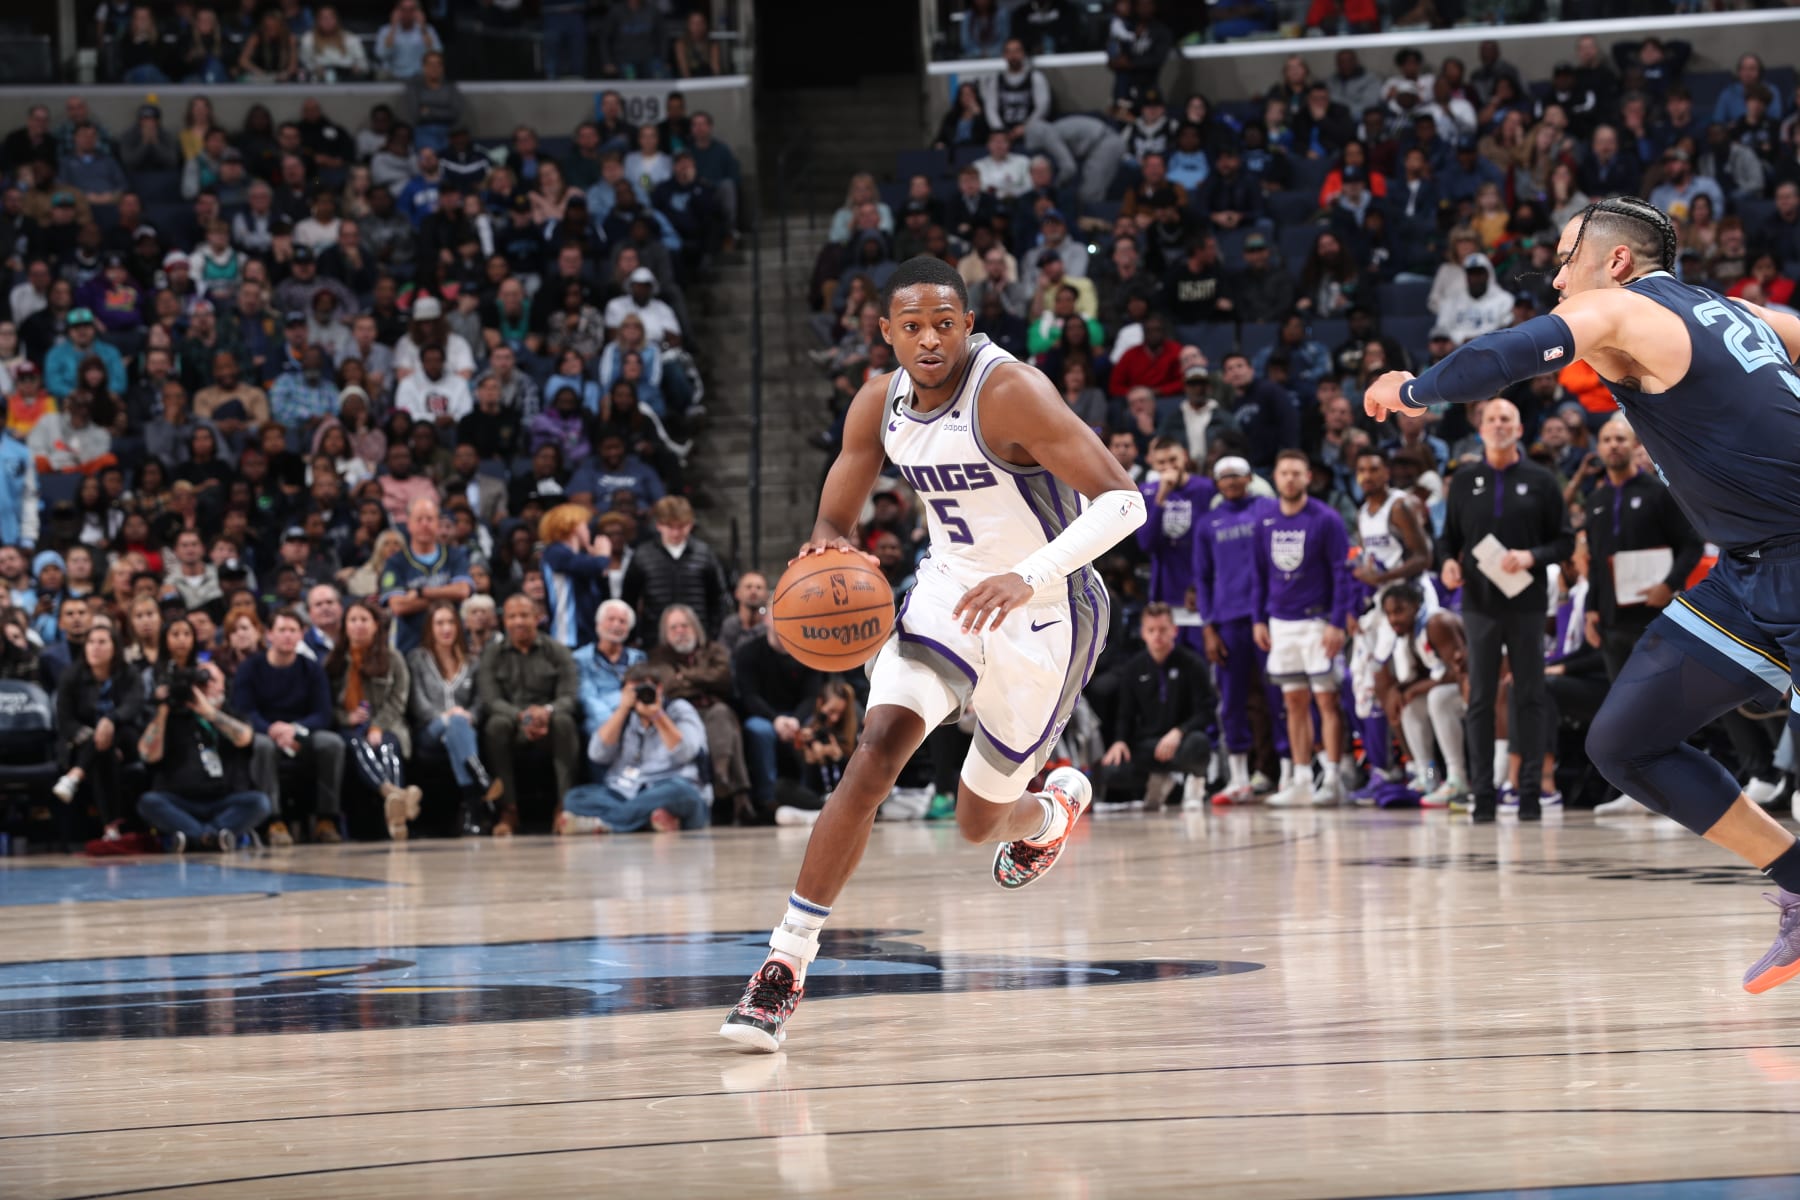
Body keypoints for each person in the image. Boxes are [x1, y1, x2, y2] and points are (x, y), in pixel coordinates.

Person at [1363, 193, 1800, 989]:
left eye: (1565, 259)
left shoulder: (1620, 310)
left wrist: (1411, 391)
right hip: (1746, 569)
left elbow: (1508, 354)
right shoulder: (1732, 312)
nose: (1557, 280)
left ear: (1617, 261)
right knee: (1623, 742)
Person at [720, 256, 1145, 1052]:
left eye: (944, 323)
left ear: (968, 326)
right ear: (885, 333)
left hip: (1047, 608)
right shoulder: (878, 404)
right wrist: (828, 559)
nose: (928, 338)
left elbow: (1125, 499)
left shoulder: (1010, 391)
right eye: (911, 325)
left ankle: (1049, 813)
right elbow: (833, 525)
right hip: (948, 593)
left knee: (980, 822)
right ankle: (784, 965)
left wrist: (1029, 575)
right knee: (874, 753)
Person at [1253, 450, 1352, 808]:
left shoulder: (1326, 519)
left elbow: (1343, 573)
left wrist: (1338, 622)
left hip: (1318, 621)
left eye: (1297, 473)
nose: (1290, 479)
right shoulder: (1265, 521)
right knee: (1293, 702)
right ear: (1276, 478)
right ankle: (1301, 778)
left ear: (1308, 477)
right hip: (1280, 622)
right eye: (1284, 473)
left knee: (1327, 700)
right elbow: (1260, 575)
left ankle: (1334, 777)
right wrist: (1258, 619)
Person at [136, 659, 271, 852]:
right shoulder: (172, 716)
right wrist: (164, 706)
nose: (206, 685)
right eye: (200, 681)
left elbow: (245, 738)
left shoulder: (231, 715)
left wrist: (209, 713)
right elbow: (147, 754)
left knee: (260, 802)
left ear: (223, 687)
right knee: (149, 802)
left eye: (212, 680)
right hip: (180, 801)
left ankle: (195, 837)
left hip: (224, 800)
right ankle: (214, 837)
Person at [558, 661, 707, 834]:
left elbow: (686, 753)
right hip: (626, 792)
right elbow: (597, 754)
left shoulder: (678, 709)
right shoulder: (624, 715)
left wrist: (658, 716)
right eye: (634, 691)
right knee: (574, 799)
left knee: (681, 792)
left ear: (659, 688)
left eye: (646, 689)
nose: (641, 696)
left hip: (668, 788)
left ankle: (605, 824)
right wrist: (622, 710)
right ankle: (646, 821)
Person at [1096, 603, 1217, 809]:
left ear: (1174, 630)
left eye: (1162, 630)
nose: (1157, 636)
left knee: (1199, 744)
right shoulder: (1133, 668)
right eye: (1151, 630)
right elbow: (1124, 713)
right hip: (1148, 746)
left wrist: (1180, 731)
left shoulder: (1192, 664)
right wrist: (1120, 741)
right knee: (1109, 770)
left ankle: (1195, 785)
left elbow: (1206, 711)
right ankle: (1158, 779)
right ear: (1143, 633)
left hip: (1181, 743)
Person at [477, 593, 580, 834]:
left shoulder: (557, 651)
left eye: (524, 615)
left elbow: (569, 697)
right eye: (512, 616)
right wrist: (522, 716)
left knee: (565, 721)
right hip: (513, 724)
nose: (518, 622)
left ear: (538, 618)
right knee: (495, 725)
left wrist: (546, 712)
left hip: (549, 724)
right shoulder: (492, 654)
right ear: (505, 622)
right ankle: (508, 810)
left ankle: (564, 808)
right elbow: (491, 700)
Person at [325, 600, 421, 841]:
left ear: (376, 625)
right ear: (345, 626)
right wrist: (346, 717)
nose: (358, 626)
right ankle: (394, 794)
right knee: (359, 745)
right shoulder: (334, 662)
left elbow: (399, 699)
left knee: (387, 745)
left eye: (364, 620)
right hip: (350, 728)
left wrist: (378, 724)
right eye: (353, 620)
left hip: (387, 724)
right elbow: (326, 705)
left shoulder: (393, 658)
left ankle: (394, 802)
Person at [1373, 582, 1469, 807]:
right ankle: (1428, 778)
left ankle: (1457, 779)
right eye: (1389, 614)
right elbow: (1430, 674)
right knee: (1411, 705)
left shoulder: (1436, 623)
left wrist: (1415, 688)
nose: (1393, 619)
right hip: (1451, 690)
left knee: (1438, 699)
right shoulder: (1411, 634)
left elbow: (1460, 673)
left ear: (1416, 606)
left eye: (1399, 611)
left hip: (1476, 691)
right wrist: (1400, 690)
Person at [406, 599, 494, 835]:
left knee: (458, 729)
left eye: (450, 622)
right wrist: (446, 716)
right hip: (429, 731)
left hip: (463, 729)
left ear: (458, 626)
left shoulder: (473, 661)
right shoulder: (417, 659)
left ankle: (471, 805)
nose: (446, 629)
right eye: (439, 623)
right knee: (454, 723)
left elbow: (479, 702)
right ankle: (478, 782)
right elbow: (418, 704)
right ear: (430, 628)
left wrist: (468, 716)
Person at [51, 621, 144, 837]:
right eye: (91, 642)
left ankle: (75, 776)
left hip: (125, 738)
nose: (95, 647)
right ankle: (111, 827)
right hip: (80, 741)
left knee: (112, 735)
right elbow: (65, 721)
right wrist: (94, 736)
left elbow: (133, 706)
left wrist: (110, 720)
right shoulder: (71, 676)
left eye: (102, 642)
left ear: (115, 648)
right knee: (104, 752)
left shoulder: (128, 673)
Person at [380, 493, 472, 653]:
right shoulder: (396, 562)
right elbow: (398, 606)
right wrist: (447, 597)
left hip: (452, 647)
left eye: (430, 519)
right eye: (419, 519)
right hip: (411, 646)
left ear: (437, 523)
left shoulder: (454, 555)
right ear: (408, 524)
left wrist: (420, 593)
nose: (425, 524)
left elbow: (463, 591)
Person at [574, 598, 644, 742]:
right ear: (598, 624)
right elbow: (588, 698)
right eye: (611, 619)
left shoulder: (638, 658)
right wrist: (614, 721)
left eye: (622, 621)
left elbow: (639, 694)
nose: (616, 625)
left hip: (633, 722)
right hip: (598, 724)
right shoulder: (580, 658)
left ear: (629, 629)